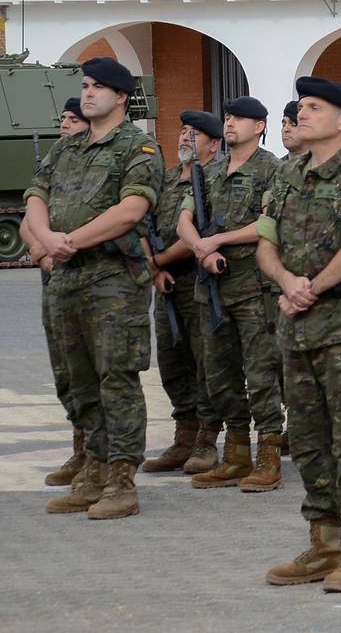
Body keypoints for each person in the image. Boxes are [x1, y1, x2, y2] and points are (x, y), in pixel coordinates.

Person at [257, 76, 341, 591]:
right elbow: (266, 241)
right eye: (301, 106)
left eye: (314, 107)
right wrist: (288, 282)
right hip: (297, 324)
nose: (302, 112)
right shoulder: (288, 173)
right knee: (309, 441)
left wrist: (311, 286)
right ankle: (322, 542)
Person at [29, 58, 161, 520]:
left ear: (121, 96)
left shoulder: (138, 148)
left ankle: (121, 480)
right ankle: (92, 469)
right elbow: (35, 200)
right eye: (84, 86)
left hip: (112, 281)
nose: (87, 94)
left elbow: (130, 211)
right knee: (75, 380)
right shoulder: (66, 149)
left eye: (98, 87)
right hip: (64, 278)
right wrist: (45, 242)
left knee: (116, 378)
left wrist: (68, 242)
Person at [178, 97, 284, 493]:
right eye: (227, 118)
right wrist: (202, 248)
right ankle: (236, 454)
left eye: (238, 118)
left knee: (260, 376)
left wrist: (218, 239)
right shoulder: (210, 169)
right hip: (213, 287)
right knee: (218, 375)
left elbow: (269, 222)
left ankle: (268, 457)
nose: (230, 123)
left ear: (259, 126)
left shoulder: (272, 169)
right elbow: (185, 220)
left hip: (254, 289)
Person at [142, 110, 223, 476]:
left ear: (214, 144)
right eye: (184, 130)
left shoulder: (214, 180)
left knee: (206, 362)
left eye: (196, 133)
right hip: (166, 285)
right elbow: (143, 225)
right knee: (173, 362)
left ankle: (207, 440)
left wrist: (162, 260)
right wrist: (155, 269)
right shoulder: (165, 179)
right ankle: (184, 435)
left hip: (199, 283)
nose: (185, 137)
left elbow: (201, 234)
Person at [30, 98, 93, 486]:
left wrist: (58, 245)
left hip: (89, 275)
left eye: (73, 119)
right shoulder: (57, 158)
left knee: (94, 373)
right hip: (55, 276)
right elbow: (33, 206)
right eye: (64, 119)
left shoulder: (111, 157)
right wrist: (40, 248)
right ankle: (81, 446)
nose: (65, 125)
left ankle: (100, 460)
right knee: (66, 372)